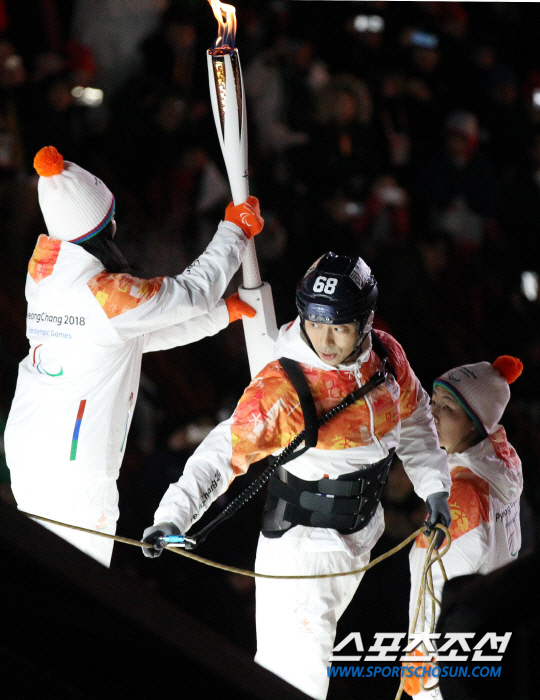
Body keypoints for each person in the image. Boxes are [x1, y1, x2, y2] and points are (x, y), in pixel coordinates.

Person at [142, 252, 452, 700]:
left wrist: (435, 488)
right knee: (293, 677)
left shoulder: (385, 355)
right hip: (304, 550)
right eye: (314, 322)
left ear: (365, 323)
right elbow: (222, 451)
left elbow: (418, 418)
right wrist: (173, 516)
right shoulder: (283, 389)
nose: (325, 339)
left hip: (360, 537)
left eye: (340, 327)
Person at [4, 145, 263, 568]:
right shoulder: (104, 295)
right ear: (98, 231)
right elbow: (193, 293)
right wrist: (233, 232)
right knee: (78, 589)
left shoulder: (46, 278)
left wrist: (220, 316)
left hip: (31, 447)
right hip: (75, 470)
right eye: (110, 225)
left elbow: (127, 341)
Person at [404, 356, 523, 699]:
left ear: (475, 424)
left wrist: (420, 657)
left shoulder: (462, 496)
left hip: (444, 669)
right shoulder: (501, 463)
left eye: (449, 409)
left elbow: (436, 583)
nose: (432, 415)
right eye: (433, 402)